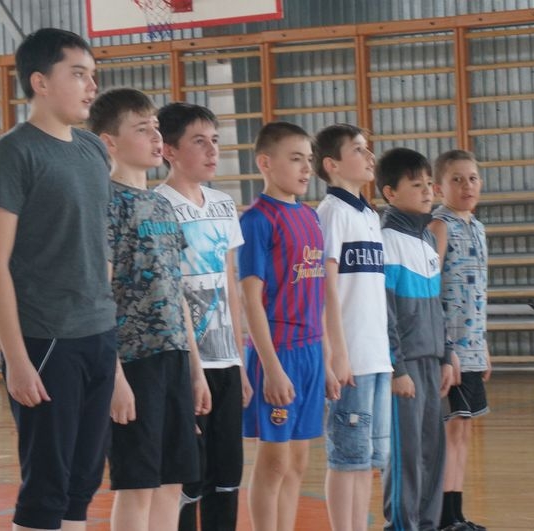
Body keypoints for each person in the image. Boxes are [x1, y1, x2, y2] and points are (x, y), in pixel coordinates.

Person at [0, 28, 117, 531]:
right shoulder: (14, 153)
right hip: (47, 340)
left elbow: (99, 245)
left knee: (82, 486)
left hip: (99, 334)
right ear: (39, 81)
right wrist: (17, 360)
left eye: (92, 75)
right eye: (78, 74)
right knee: (46, 489)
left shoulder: (93, 149)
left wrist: (112, 342)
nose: (91, 86)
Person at [87, 88, 211, 531]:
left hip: (174, 358)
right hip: (133, 361)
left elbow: (176, 292)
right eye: (142, 129)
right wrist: (115, 377)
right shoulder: (105, 203)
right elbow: (99, 295)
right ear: (109, 142)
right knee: (138, 485)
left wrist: (195, 369)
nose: (156, 137)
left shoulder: (162, 204)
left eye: (156, 128)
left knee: (172, 484)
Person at [154, 102, 253, 531]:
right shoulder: (158, 207)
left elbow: (230, 284)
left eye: (215, 140)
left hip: (226, 360)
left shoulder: (223, 204)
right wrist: (194, 370)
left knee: (226, 477)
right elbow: (170, 293)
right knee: (188, 479)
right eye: (199, 141)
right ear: (169, 150)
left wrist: (241, 363)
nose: (213, 150)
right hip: (185, 363)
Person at [238, 121, 326, 531]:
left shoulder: (310, 217)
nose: (306, 168)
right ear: (266, 163)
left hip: (311, 352)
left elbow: (319, 297)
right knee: (274, 461)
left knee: (298, 461)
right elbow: (250, 300)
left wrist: (327, 358)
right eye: (295, 159)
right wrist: (271, 367)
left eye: (308, 159)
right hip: (278, 352)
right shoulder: (257, 220)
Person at [313, 124, 392, 531]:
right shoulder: (331, 213)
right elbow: (325, 289)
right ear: (332, 164)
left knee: (368, 462)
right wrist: (336, 353)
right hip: (351, 359)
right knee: (346, 459)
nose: (369, 156)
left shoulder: (369, 215)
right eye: (359, 150)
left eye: (368, 149)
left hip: (376, 355)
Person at [375, 147, 455, 531]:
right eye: (417, 185)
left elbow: (437, 304)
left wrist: (447, 355)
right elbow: (384, 312)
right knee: (405, 453)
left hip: (431, 362)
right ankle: (401, 525)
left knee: (432, 452)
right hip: (405, 367)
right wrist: (398, 368)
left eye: (428, 184)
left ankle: (427, 524)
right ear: (390, 192)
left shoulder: (426, 240)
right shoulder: (386, 240)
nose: (428, 191)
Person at [429, 150, 490, 531]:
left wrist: (484, 348)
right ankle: (442, 516)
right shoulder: (439, 226)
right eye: (457, 179)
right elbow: (429, 291)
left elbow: (479, 295)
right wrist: (443, 351)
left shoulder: (478, 227)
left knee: (464, 431)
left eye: (472, 178)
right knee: (450, 432)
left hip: (473, 349)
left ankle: (457, 513)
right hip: (448, 350)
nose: (467, 186)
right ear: (438, 187)